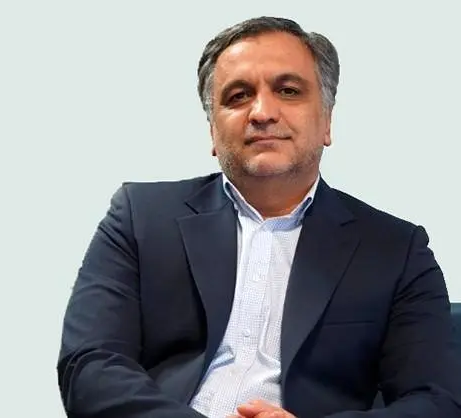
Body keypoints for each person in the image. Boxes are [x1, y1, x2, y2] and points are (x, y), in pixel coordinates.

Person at [56, 16, 461, 418]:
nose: (262, 112)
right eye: (238, 96)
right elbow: (90, 365)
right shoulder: (140, 217)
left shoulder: (395, 250)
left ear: (326, 121)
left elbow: (436, 400)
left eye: (288, 91)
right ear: (212, 132)